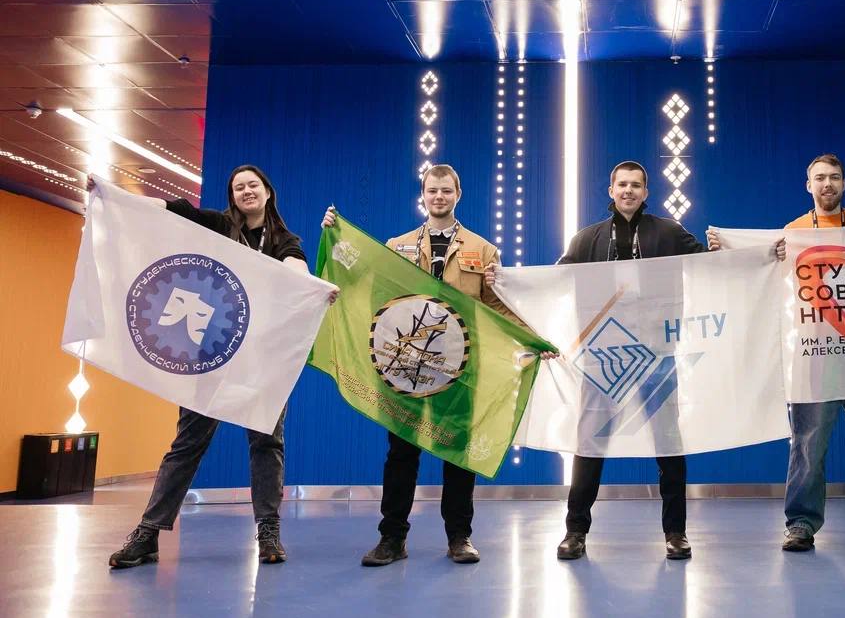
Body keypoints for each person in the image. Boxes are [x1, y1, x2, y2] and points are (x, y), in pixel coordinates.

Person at [710, 153, 845, 554]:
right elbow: (766, 278)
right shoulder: (793, 234)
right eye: (820, 178)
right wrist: (731, 248)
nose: (828, 184)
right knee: (807, 444)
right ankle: (801, 524)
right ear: (809, 186)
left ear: (844, 184)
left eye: (835, 177)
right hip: (813, 355)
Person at [108, 165, 316, 569]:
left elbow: (296, 267)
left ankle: (268, 531)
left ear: (267, 191)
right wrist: (117, 197)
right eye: (239, 187)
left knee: (267, 443)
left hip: (262, 359)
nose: (246, 191)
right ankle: (148, 534)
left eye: (253, 185)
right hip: (212, 355)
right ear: (232, 196)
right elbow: (175, 209)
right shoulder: (218, 226)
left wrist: (312, 287)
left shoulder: (283, 239)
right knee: (187, 443)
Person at [324, 163, 531, 567]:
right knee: (401, 454)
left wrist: (532, 339)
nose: (439, 197)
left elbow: (499, 307)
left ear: (458, 195)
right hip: (405, 368)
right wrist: (335, 237)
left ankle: (459, 537)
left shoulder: (482, 250)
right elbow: (365, 283)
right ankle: (392, 538)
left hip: (460, 370)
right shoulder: (396, 246)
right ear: (423, 195)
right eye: (432, 190)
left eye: (446, 191)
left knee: (457, 454)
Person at [553, 161, 705, 562]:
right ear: (611, 189)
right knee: (589, 444)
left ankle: (676, 533)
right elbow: (553, 281)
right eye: (622, 184)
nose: (628, 191)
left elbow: (710, 264)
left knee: (668, 444)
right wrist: (510, 284)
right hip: (604, 357)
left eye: (636, 185)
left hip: (657, 355)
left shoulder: (668, 232)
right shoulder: (587, 239)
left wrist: (748, 254)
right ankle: (575, 531)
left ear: (646, 192)